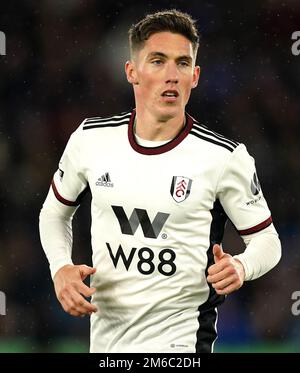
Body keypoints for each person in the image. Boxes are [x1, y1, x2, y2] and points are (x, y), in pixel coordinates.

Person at [39, 9, 281, 353]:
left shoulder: (224, 158)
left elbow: (267, 241)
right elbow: (54, 213)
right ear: (132, 72)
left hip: (181, 348)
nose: (172, 75)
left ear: (195, 76)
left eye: (182, 63)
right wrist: (60, 268)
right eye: (158, 61)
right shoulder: (90, 140)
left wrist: (242, 265)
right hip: (107, 348)